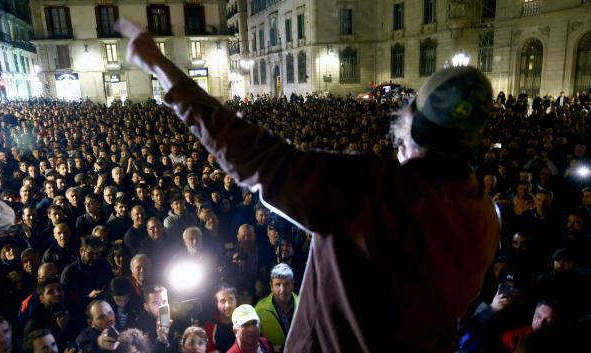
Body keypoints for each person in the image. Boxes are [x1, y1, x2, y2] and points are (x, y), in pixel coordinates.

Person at [116, 19, 500, 352]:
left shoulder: (371, 188)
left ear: (412, 127)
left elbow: (256, 156)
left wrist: (161, 68)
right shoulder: (485, 215)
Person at [255, 264, 298, 353]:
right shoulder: (260, 309)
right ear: (271, 286)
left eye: (286, 284)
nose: (282, 289)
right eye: (278, 284)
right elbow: (254, 341)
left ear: (293, 285)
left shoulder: (303, 305)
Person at [202, 286, 238, 353]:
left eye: (231, 299)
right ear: (216, 304)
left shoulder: (246, 323)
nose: (227, 306)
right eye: (222, 301)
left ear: (236, 301)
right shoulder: (209, 328)